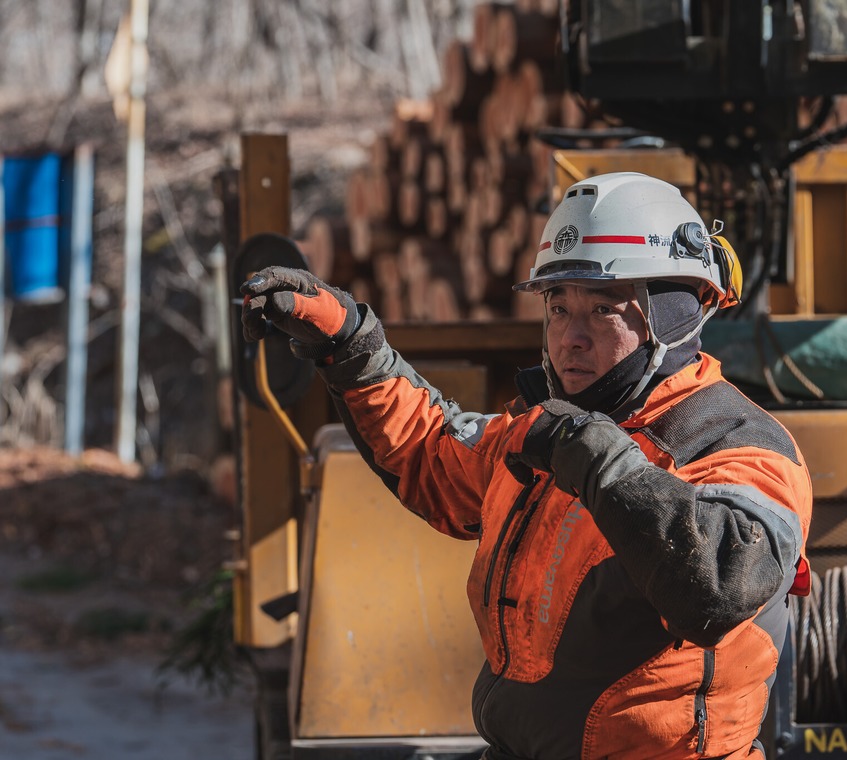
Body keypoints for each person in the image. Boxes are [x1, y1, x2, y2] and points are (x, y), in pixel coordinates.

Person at [241, 172, 813, 759]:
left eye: (604, 309)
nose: (572, 336)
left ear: (671, 315)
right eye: (558, 307)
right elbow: (434, 453)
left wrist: (596, 455)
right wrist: (351, 344)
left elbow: (719, 585)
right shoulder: (556, 428)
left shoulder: (737, 443)